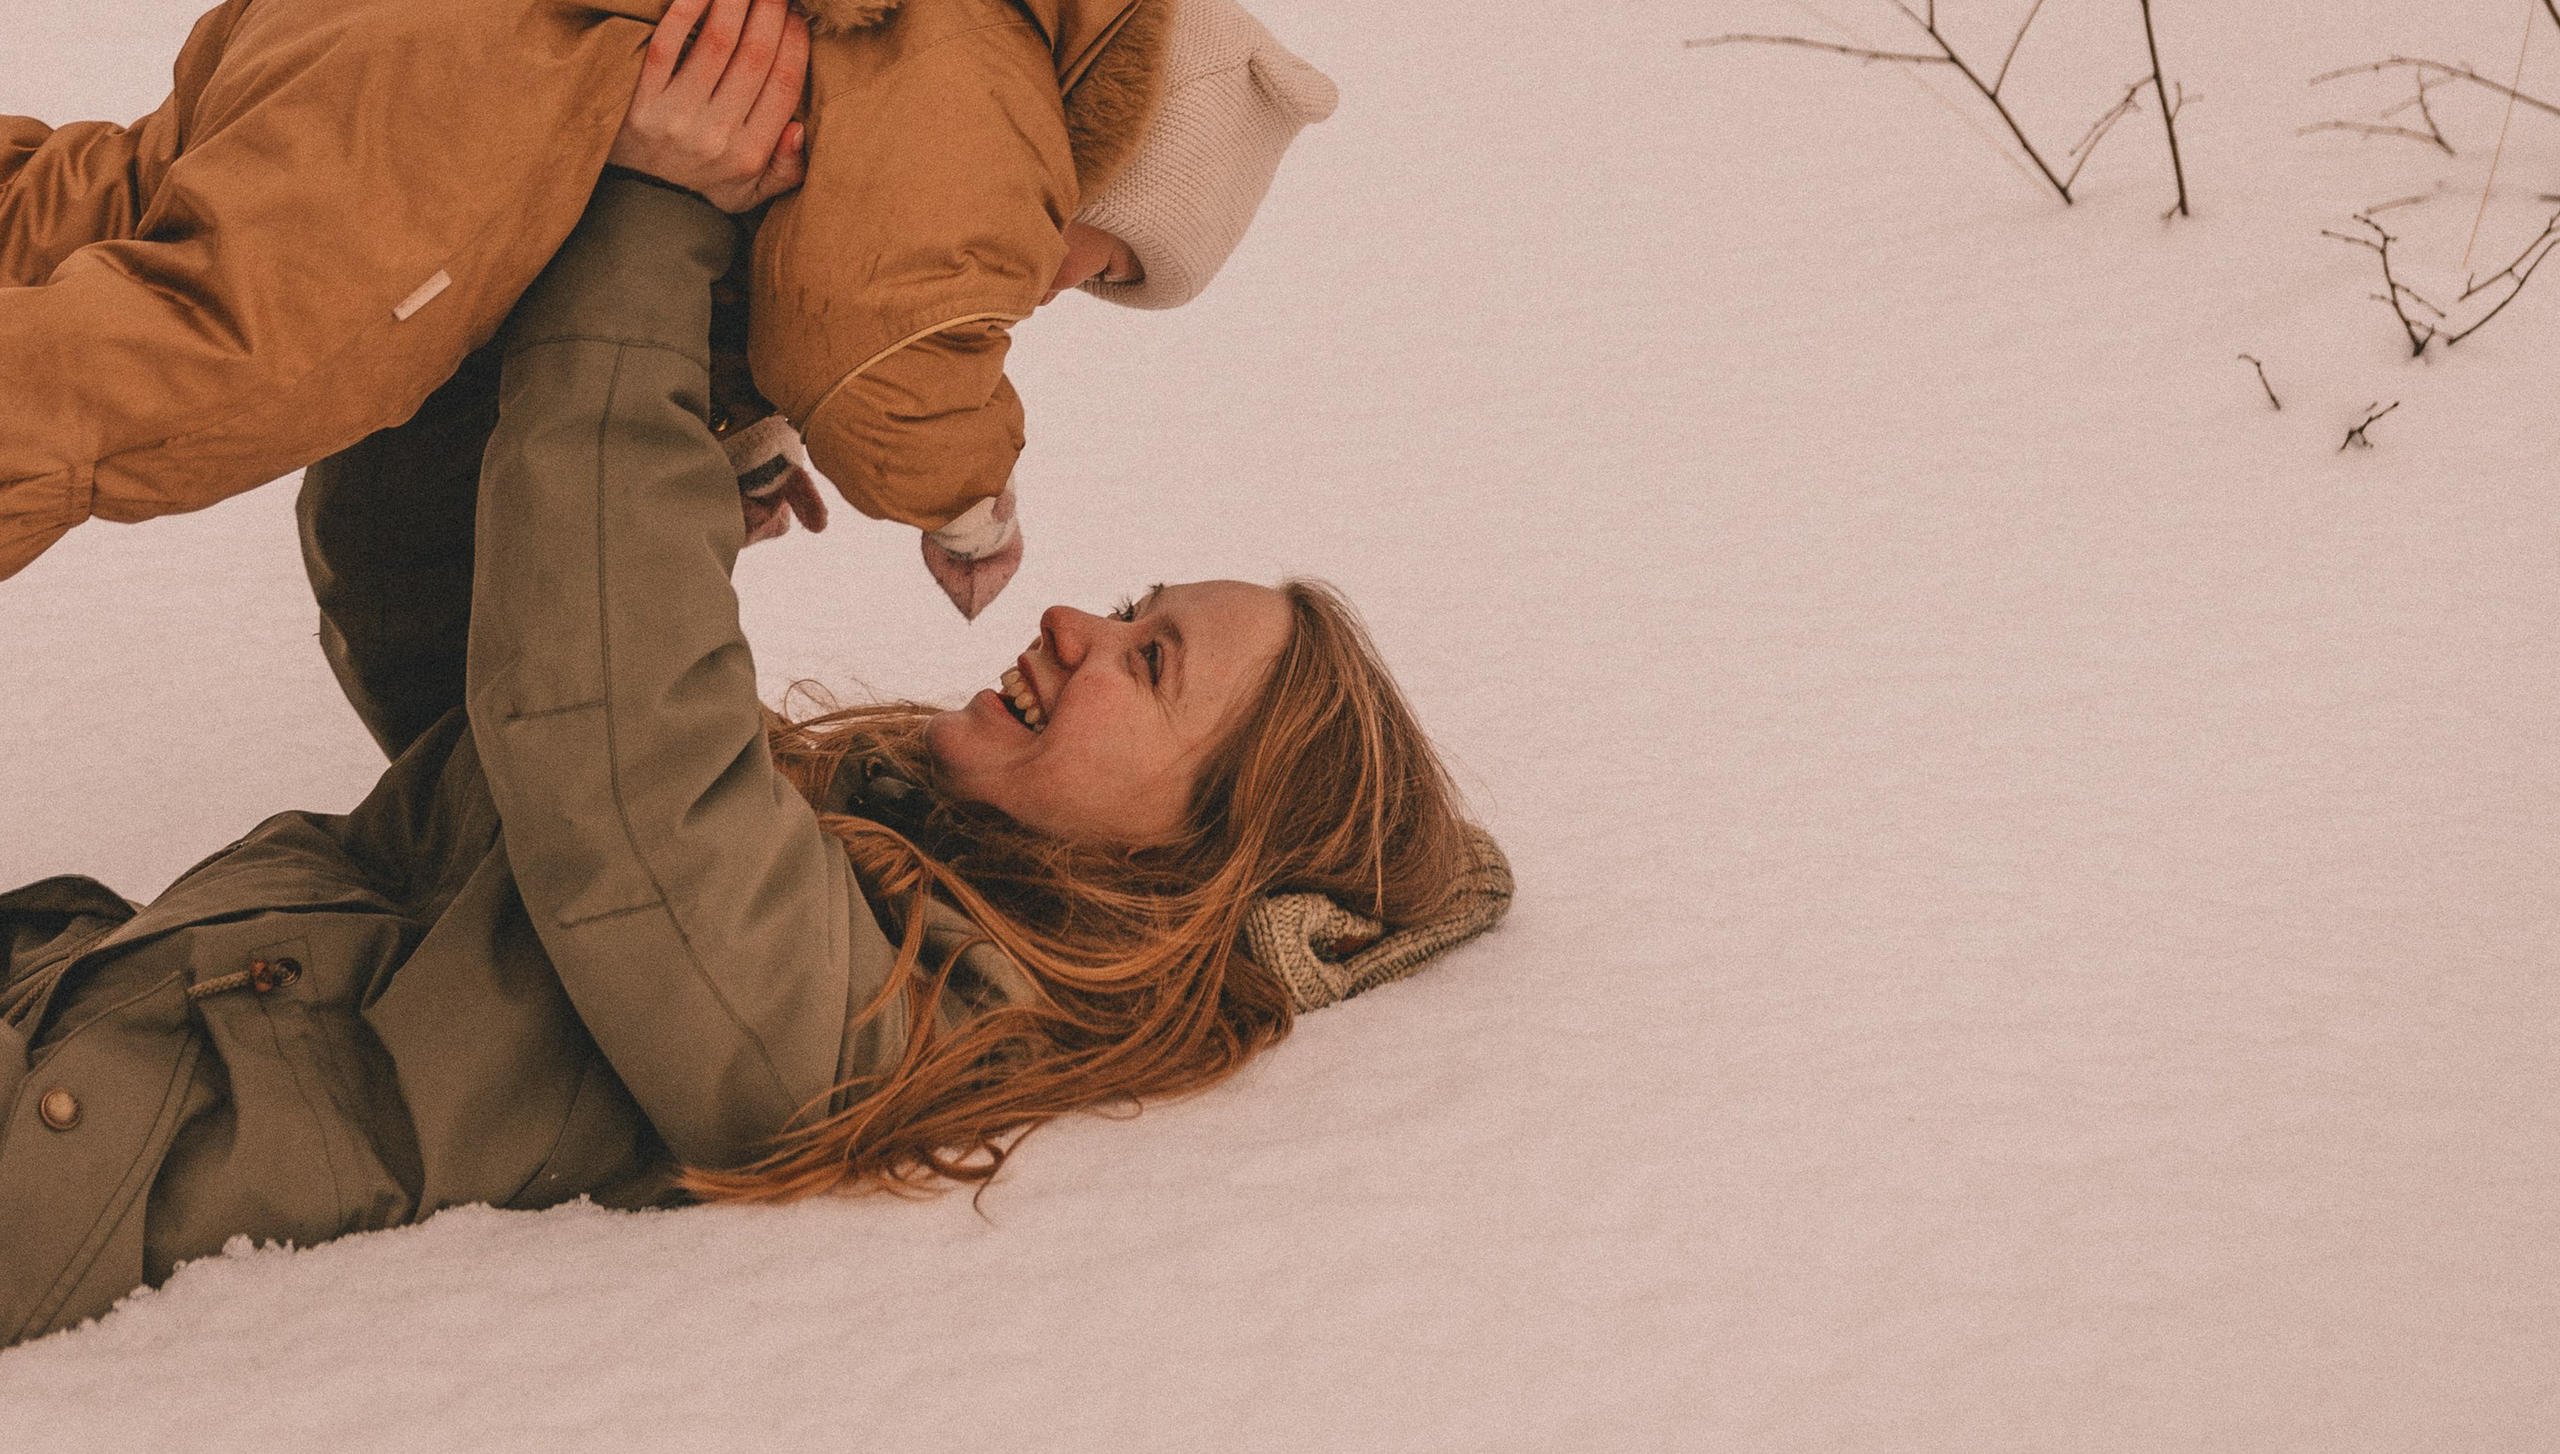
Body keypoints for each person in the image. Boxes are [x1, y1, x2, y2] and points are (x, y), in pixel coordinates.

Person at [0, 149, 1508, 1351]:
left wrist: (661, 219)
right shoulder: (840, 840)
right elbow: (453, 644)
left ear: (1195, 861)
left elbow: (617, 762)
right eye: (1128, 609)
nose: (1070, 622)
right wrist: (646, 430)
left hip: (56, 1172)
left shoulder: (890, 1029)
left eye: (1150, 659)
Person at [0, 0, 1339, 619]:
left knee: (113, 195)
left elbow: (790, 255)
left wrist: (739, 425)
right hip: (502, 64)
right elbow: (873, 335)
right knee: (214, 362)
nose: (1056, 289)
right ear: (1106, 158)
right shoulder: (996, 107)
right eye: (1104, 269)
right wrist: (969, 499)